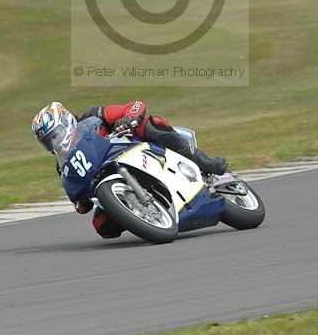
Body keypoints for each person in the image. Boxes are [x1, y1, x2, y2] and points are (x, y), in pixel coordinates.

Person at [31, 99, 229, 239]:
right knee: (103, 228)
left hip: (134, 146)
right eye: (47, 142)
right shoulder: (62, 165)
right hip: (110, 178)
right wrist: (80, 202)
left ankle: (205, 162)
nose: (53, 143)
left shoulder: (92, 116)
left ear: (66, 122)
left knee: (152, 124)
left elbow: (135, 105)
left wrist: (129, 119)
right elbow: (82, 204)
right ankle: (148, 216)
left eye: (54, 136)